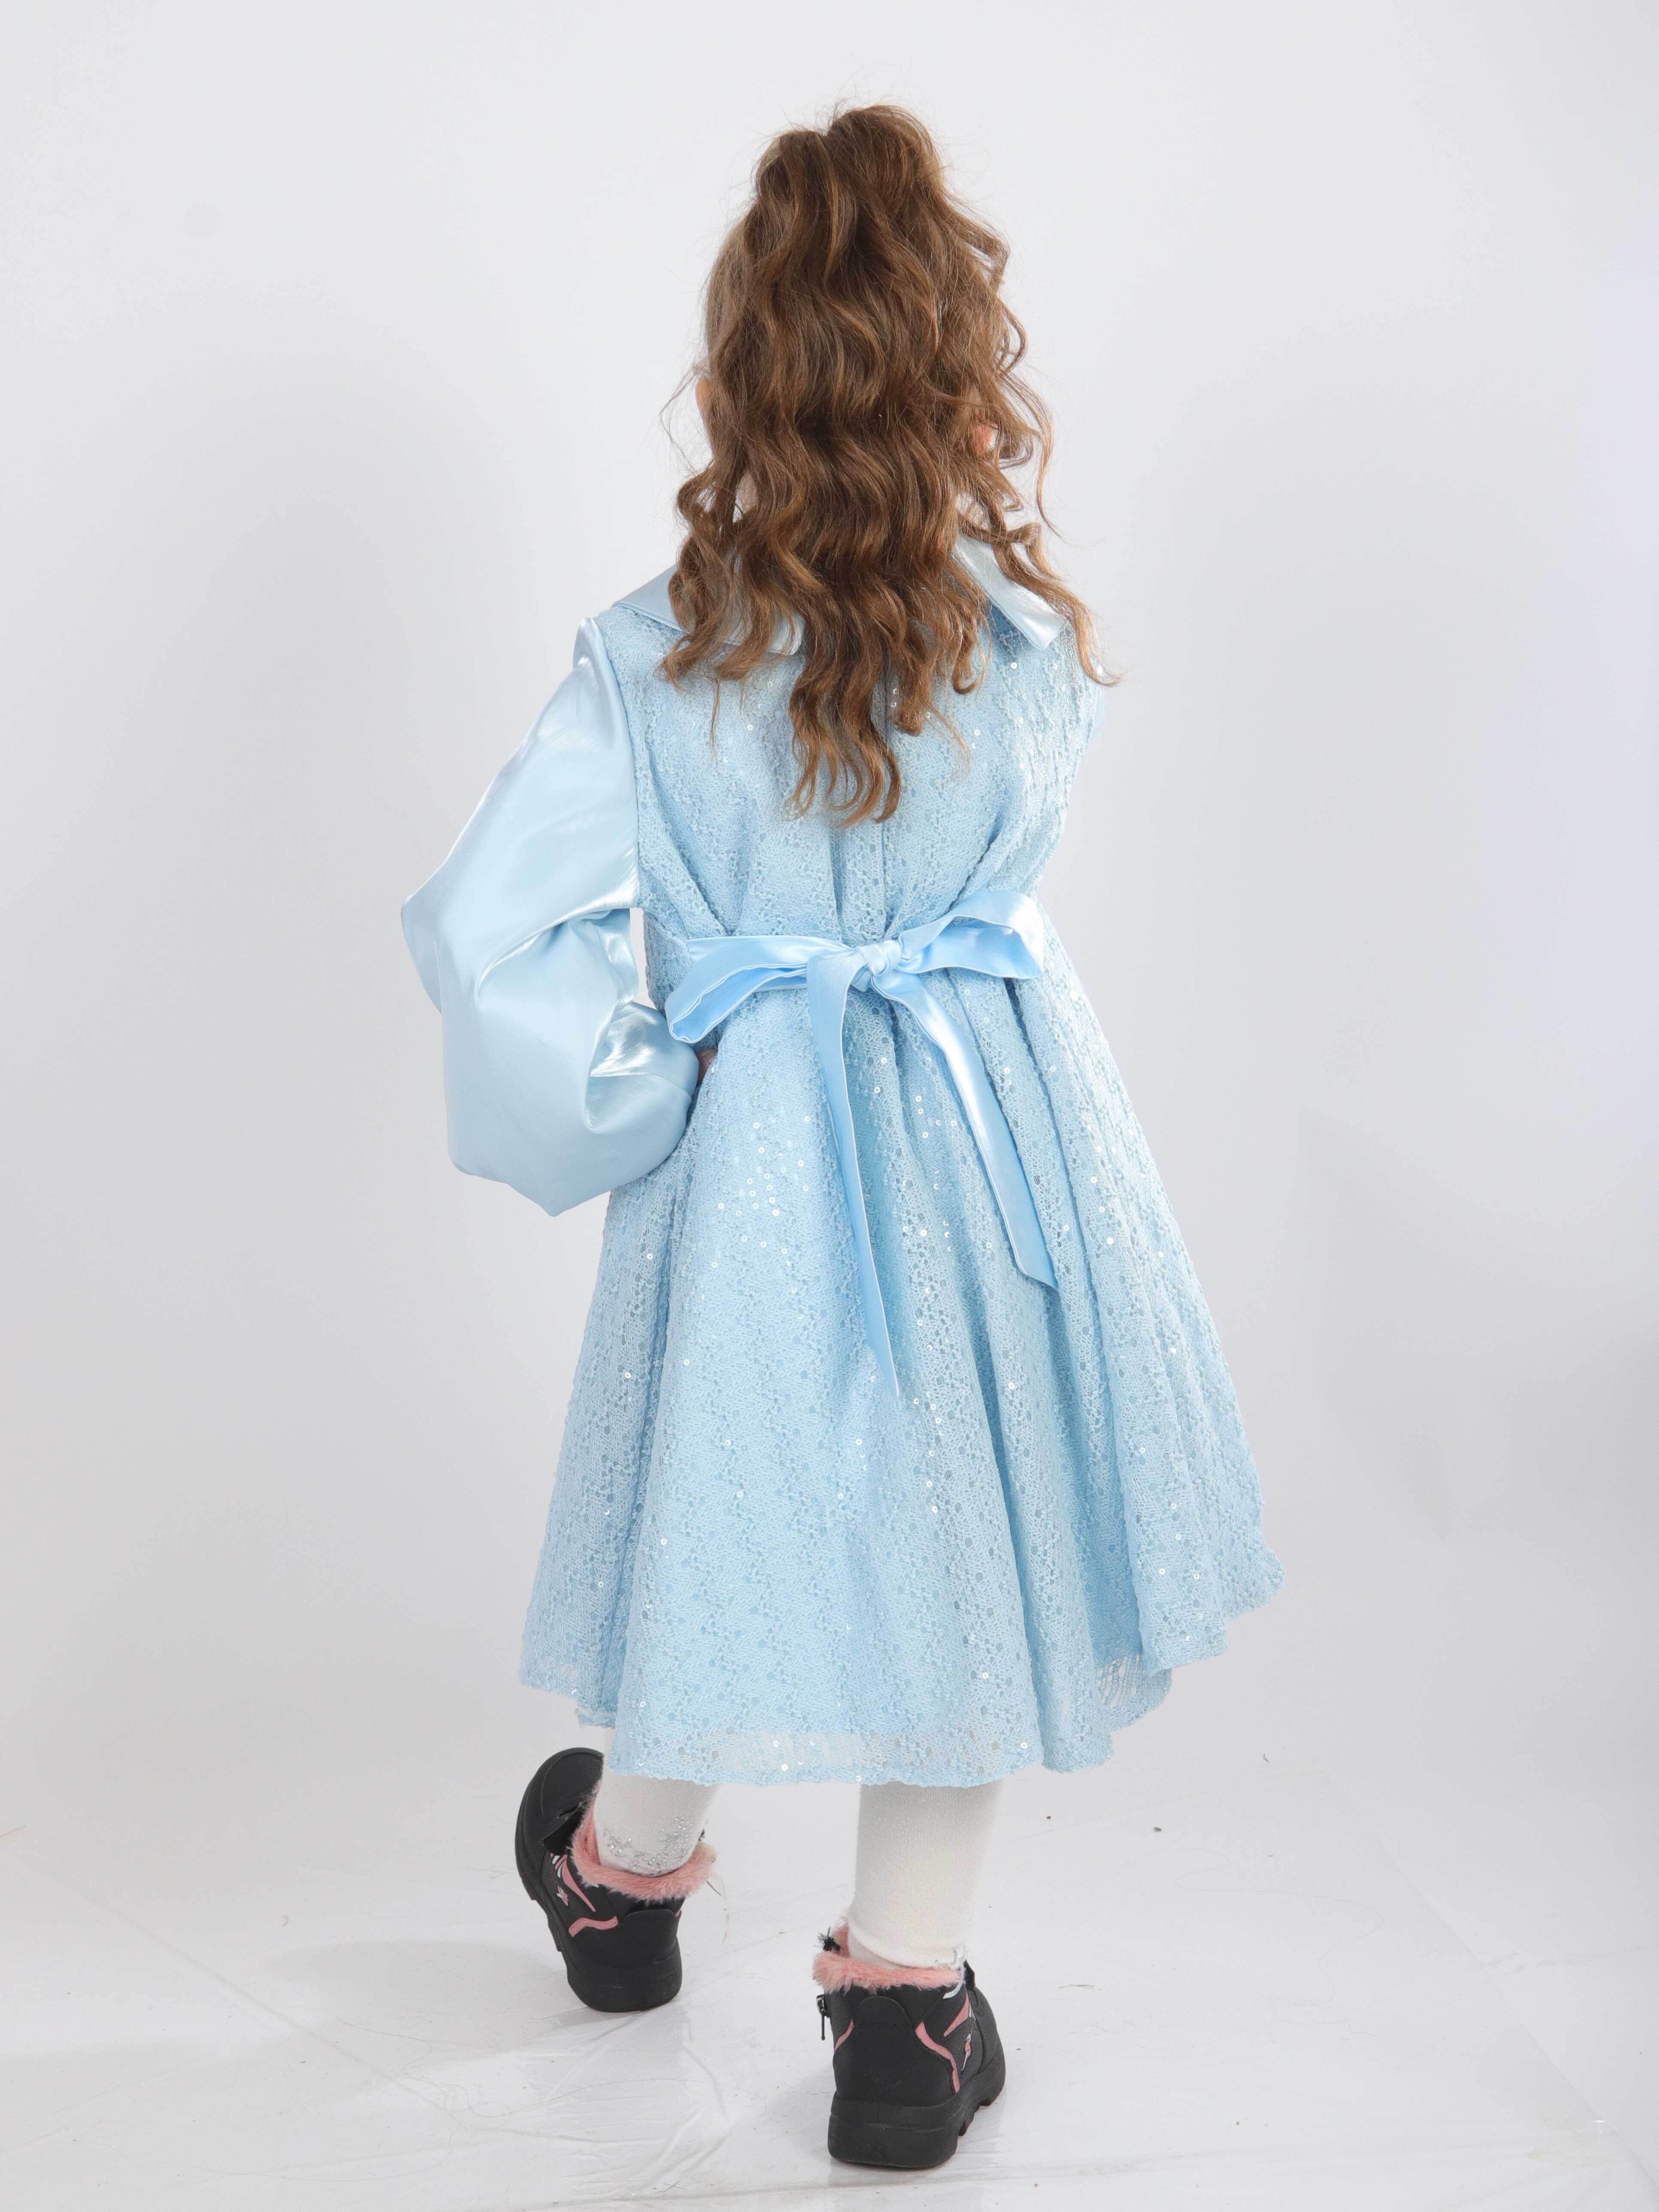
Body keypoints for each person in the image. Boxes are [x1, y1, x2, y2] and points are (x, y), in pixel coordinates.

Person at [403, 102, 1280, 2172]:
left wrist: (647, 1085)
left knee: (730, 1518)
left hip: (759, 1157)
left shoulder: (653, 658)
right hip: (989, 1135)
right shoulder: (1024, 642)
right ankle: (903, 2007)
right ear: (962, 377)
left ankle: (620, 1874)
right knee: (962, 1546)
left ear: (742, 379)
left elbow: (491, 933)